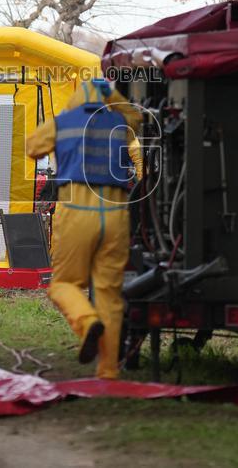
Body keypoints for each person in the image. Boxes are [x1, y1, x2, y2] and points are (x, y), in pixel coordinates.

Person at [26, 78, 142, 379]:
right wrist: (112, 94)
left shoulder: (63, 122)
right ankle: (107, 371)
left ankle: (86, 321)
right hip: (116, 215)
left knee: (64, 284)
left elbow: (32, 148)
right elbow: (138, 117)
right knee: (109, 295)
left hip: (77, 211)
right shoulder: (119, 122)